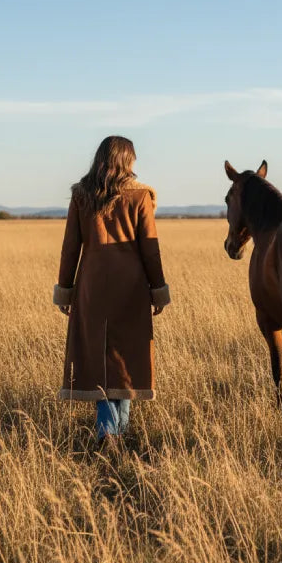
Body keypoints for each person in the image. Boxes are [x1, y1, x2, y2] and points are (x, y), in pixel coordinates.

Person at [53, 135, 170, 443]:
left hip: (91, 285)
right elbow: (150, 251)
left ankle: (112, 432)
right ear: (126, 160)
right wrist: (158, 288)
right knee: (125, 357)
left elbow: (69, 249)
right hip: (131, 287)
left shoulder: (81, 194)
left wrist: (65, 289)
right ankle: (113, 432)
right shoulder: (141, 196)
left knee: (100, 358)